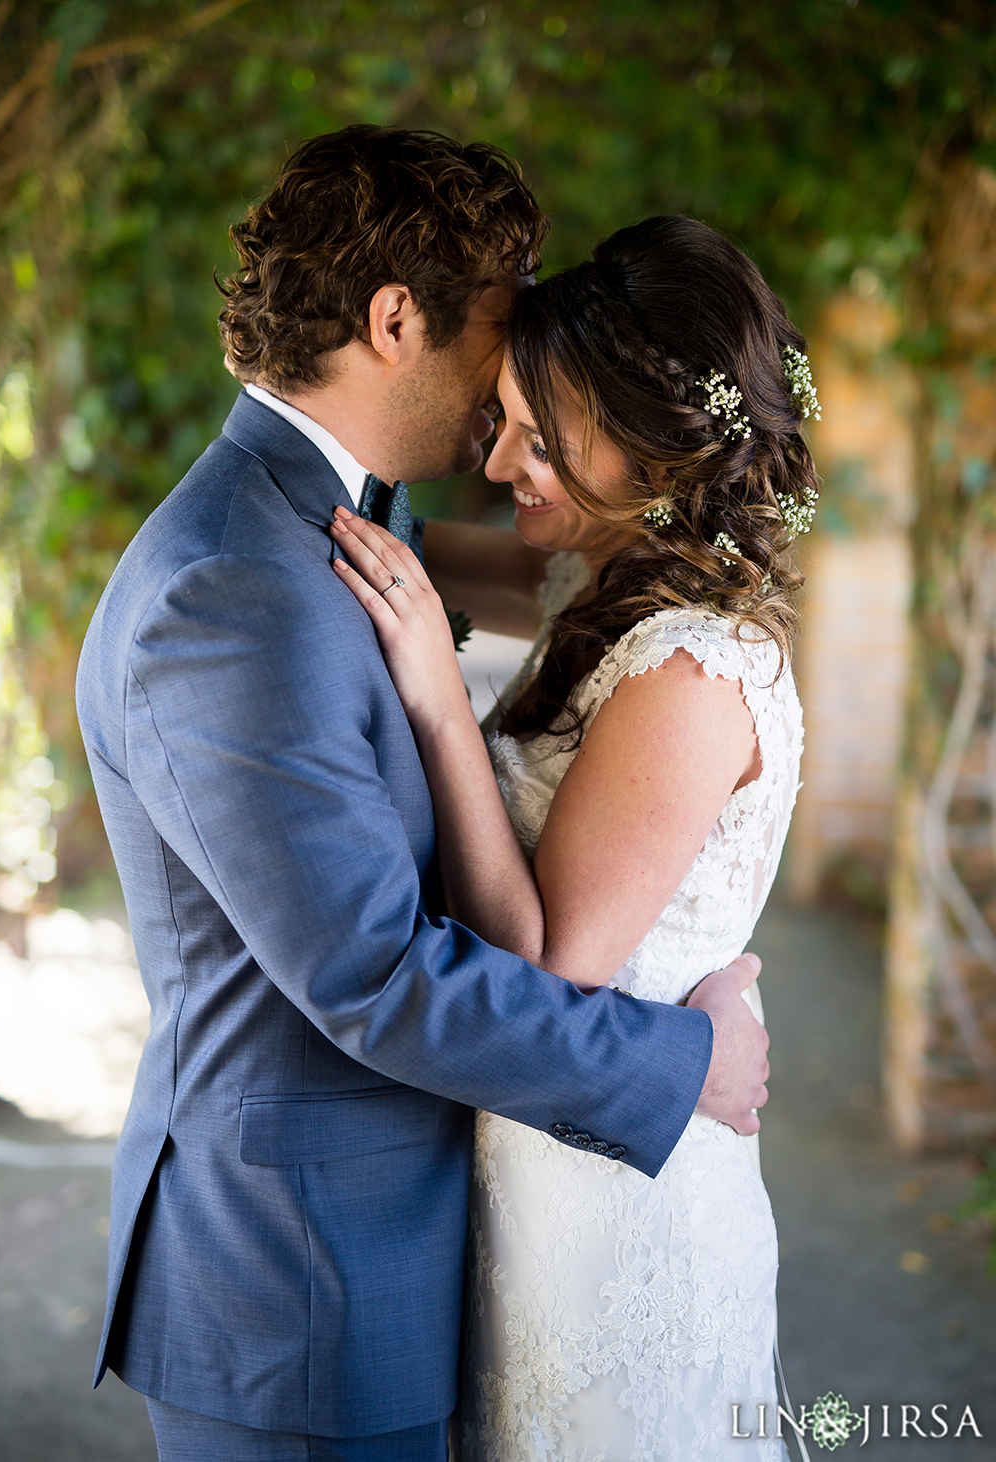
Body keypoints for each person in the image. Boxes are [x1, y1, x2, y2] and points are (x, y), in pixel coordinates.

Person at [73, 126, 772, 1461]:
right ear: (397, 319)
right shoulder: (234, 586)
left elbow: (565, 680)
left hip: (420, 1255)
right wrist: (682, 1065)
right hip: (302, 1297)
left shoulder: (367, 518)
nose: (517, 375)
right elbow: (374, 974)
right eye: (503, 323)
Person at [329, 213, 809, 1459]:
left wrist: (436, 696)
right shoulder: (588, 591)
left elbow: (554, 966)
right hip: (543, 1181)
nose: (497, 464)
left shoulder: (691, 666)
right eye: (501, 420)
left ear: (651, 443)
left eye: (538, 438)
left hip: (620, 1218)